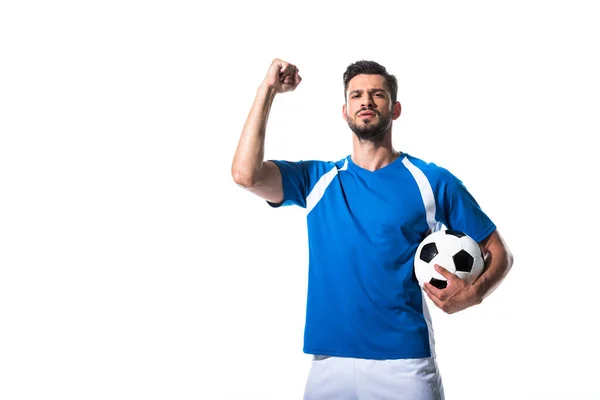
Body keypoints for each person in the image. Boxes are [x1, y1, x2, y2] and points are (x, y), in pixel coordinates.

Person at [231, 58, 514, 400]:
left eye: (377, 95)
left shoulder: (432, 180)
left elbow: (499, 251)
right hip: (328, 363)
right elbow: (246, 175)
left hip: (405, 364)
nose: (366, 101)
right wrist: (268, 90)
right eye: (356, 95)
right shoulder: (317, 179)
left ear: (394, 110)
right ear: (345, 111)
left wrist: (476, 292)